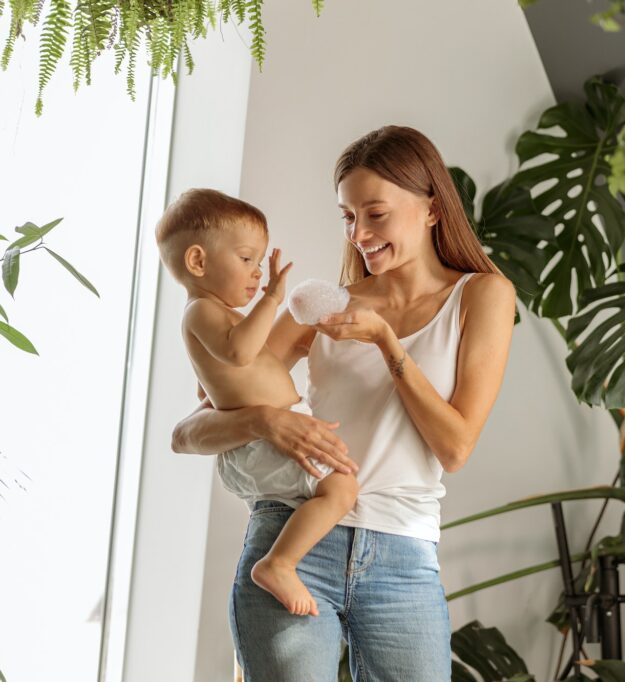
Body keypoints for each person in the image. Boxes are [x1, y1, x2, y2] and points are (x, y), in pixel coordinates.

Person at [170, 125, 517, 681]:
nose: (359, 233)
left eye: (375, 214)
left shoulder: (481, 296)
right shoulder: (321, 304)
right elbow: (189, 429)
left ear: (431, 209)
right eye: (348, 216)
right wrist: (266, 420)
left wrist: (385, 341)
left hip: (402, 559)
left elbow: (454, 447)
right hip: (291, 542)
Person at [155, 188, 361, 617]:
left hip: (271, 433)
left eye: (258, 261)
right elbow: (241, 353)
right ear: (198, 262)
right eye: (247, 259)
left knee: (337, 486)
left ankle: (281, 561)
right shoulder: (200, 312)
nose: (255, 273)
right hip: (260, 441)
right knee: (340, 487)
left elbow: (240, 365)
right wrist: (271, 300)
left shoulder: (220, 315)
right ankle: (278, 564)